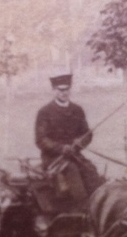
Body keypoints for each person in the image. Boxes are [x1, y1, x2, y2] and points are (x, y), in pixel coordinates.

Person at [34, 73, 103, 211]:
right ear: (54, 90)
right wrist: (61, 148)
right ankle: (81, 208)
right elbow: (41, 140)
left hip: (74, 155)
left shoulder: (77, 110)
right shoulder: (45, 112)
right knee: (71, 170)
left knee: (91, 171)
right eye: (60, 90)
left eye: (67, 89)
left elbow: (87, 133)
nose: (64, 93)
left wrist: (80, 142)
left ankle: (97, 207)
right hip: (53, 158)